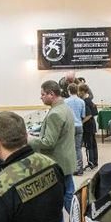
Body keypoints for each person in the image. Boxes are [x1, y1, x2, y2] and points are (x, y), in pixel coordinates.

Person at [30, 80, 78, 210]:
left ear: (51, 94)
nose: (41, 97)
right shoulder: (65, 108)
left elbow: (48, 142)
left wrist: (29, 140)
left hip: (57, 162)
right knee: (69, 193)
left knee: (59, 199)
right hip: (66, 159)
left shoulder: (55, 113)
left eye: (43, 94)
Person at [65, 83, 86, 175]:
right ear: (77, 91)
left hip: (69, 127)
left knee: (69, 148)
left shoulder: (65, 102)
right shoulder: (81, 101)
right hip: (79, 126)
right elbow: (83, 115)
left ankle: (71, 168)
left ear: (69, 91)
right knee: (78, 148)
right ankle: (80, 169)